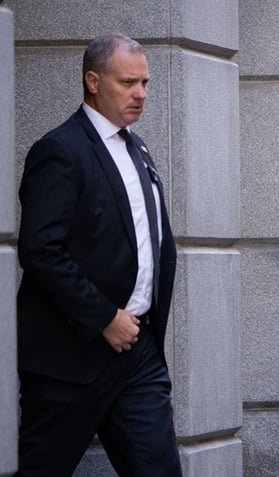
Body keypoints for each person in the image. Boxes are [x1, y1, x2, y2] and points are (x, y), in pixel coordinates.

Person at [16, 34, 181, 476]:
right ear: (93, 81)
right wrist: (104, 318)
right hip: (71, 359)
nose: (141, 93)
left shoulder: (138, 148)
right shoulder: (60, 150)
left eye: (145, 82)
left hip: (138, 355)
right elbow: (40, 249)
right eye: (128, 82)